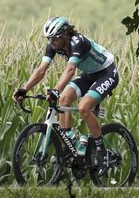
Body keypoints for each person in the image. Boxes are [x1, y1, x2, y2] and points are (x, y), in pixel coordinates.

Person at [12, 16, 119, 174]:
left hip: (107, 73)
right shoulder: (54, 46)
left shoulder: (79, 42)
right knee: (64, 99)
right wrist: (24, 89)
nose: (51, 42)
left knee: (83, 107)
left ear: (64, 35)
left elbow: (70, 70)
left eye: (54, 38)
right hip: (89, 74)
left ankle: (103, 153)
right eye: (49, 38)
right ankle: (69, 143)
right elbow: (41, 70)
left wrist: (55, 89)